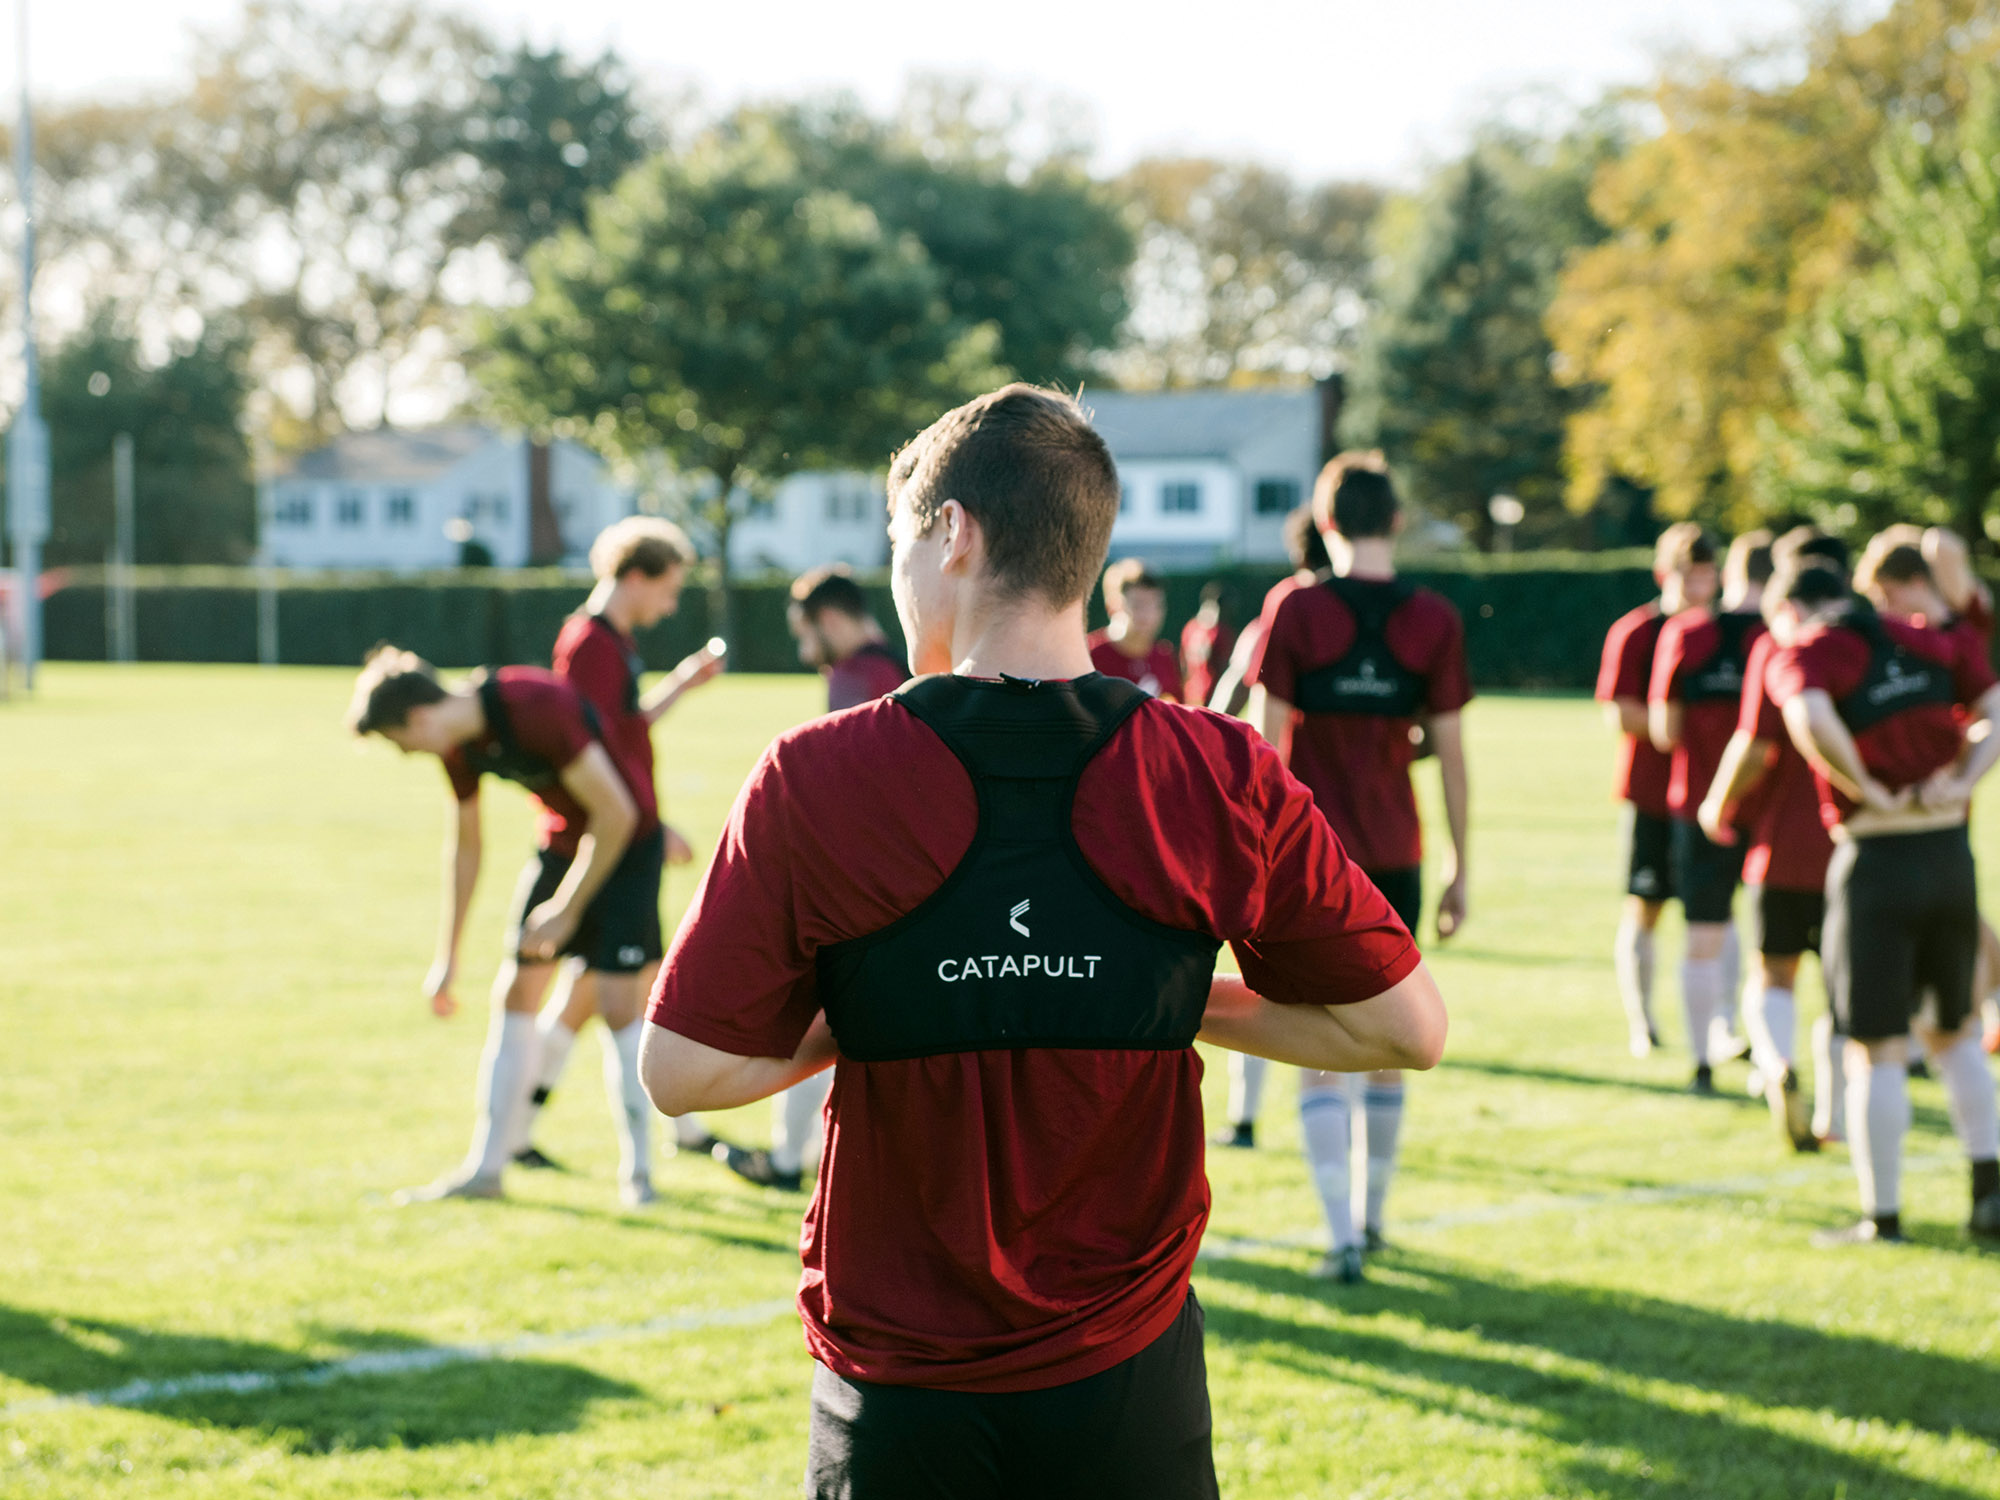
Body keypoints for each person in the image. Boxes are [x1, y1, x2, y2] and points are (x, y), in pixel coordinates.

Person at [640, 385, 1447, 1498]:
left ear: (952, 533)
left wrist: (894, 1000)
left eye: (897, 543)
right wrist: (1159, 994)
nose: (896, 576)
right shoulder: (1219, 769)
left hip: (899, 1382)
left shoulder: (811, 773)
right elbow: (1403, 1029)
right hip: (1127, 1372)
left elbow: (681, 1071)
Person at [1244, 450, 1471, 1278]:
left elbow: (1261, 751)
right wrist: (1460, 866)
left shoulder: (1294, 610)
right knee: (1385, 1042)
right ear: (1398, 522)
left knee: (1318, 1047)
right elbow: (1451, 755)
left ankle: (1340, 1234)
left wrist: (1250, 863)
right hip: (1398, 858)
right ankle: (1371, 1221)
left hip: (1308, 864)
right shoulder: (1434, 619)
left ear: (1327, 523)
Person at [346, 648, 657, 1204]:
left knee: (616, 1005)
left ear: (419, 718)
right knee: (516, 994)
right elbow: (466, 847)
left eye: (400, 743)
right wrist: (448, 956)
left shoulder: (534, 704)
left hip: (627, 846)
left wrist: (567, 908)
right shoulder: (456, 744)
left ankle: (640, 1177)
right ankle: (486, 1171)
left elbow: (617, 814)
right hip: (564, 845)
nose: (408, 753)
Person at [1763, 560, 2000, 1245]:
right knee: (1954, 1033)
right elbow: (1993, 710)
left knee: (1876, 1047)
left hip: (1876, 859)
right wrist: (1962, 779)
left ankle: (1883, 1216)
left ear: (1795, 609)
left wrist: (1859, 781)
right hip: (1950, 857)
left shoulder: (1808, 648)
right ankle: (1988, 1192)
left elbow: (1808, 716)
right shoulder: (1926, 637)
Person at [510, 518, 726, 1191]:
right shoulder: (590, 646)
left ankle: (516, 1134)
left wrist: (682, 685)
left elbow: (621, 732)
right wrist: (649, 827)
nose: (670, 604)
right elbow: (591, 755)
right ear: (634, 575)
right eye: (667, 589)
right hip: (614, 845)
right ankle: (643, 1169)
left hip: (626, 836)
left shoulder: (614, 644)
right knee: (623, 999)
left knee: (587, 993)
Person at [711, 564, 913, 1193]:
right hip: (897, 876)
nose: (804, 653)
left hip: (865, 886)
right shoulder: (897, 665)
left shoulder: (860, 677)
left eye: (806, 635)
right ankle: (805, 1159)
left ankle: (796, 1160)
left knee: (819, 1019)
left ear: (829, 620)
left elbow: (853, 793)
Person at [1697, 529, 1848, 1150]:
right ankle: (1835, 1116)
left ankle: (1778, 1064)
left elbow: (1753, 746)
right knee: (1844, 991)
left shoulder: (1775, 648)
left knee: (1772, 973)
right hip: (1852, 843)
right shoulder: (1866, 646)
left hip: (1781, 842)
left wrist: (1718, 803)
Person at [1212, 506, 1333, 1150]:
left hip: (1285, 824)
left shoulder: (1287, 605)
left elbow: (1237, 686)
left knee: (1260, 973)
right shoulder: (1363, 612)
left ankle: (1247, 1114)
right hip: (1363, 831)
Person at [1649, 531, 1769, 1093]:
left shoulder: (1685, 632)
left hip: (1699, 803)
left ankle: (1702, 1061)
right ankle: (1772, 1056)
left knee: (1702, 933)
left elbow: (1664, 729)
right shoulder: (1780, 638)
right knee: (1780, 947)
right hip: (1770, 807)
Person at [1596, 522, 1717, 1058]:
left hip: (1710, 796)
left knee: (1714, 914)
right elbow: (1618, 710)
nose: (1699, 588)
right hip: (1651, 792)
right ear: (1664, 574)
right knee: (1645, 906)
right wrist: (1679, 726)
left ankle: (1719, 1027)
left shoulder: (1725, 633)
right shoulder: (1636, 632)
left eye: (1707, 576)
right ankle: (1642, 1020)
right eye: (1689, 576)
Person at [1208, 505, 1328, 718]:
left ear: (1299, 555)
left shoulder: (1286, 605)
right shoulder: (1370, 607)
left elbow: (1232, 689)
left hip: (1290, 746)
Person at [1088, 558, 1183, 700]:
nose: (1148, 614)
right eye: (1138, 605)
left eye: (1156, 605)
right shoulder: (1087, 655)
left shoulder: (1165, 657)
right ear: (1113, 606)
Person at [1179, 583, 1235, 710]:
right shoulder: (1220, 631)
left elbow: (1183, 665)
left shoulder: (1191, 627)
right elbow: (1224, 667)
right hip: (1211, 693)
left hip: (1190, 692)